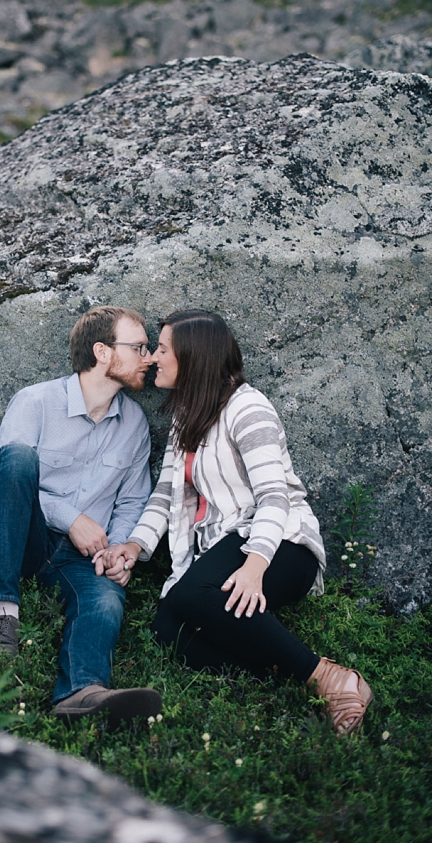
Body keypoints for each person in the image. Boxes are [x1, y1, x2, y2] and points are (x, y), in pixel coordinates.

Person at [97, 309, 374, 735]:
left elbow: (274, 496)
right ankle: (293, 681)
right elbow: (165, 495)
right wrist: (134, 547)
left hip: (281, 544)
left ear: (193, 358)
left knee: (193, 594)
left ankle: (330, 678)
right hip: (225, 547)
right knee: (168, 627)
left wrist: (255, 564)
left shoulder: (248, 407)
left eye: (163, 349)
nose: (152, 357)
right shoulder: (184, 418)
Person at [0, 305, 162, 727]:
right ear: (102, 351)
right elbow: (2, 485)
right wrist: (70, 517)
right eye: (138, 347)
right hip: (23, 540)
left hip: (81, 560)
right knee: (18, 458)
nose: (148, 358)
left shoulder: (133, 422)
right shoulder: (36, 402)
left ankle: (82, 693)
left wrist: (116, 548)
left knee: (106, 600)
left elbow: (133, 500)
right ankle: (3, 616)